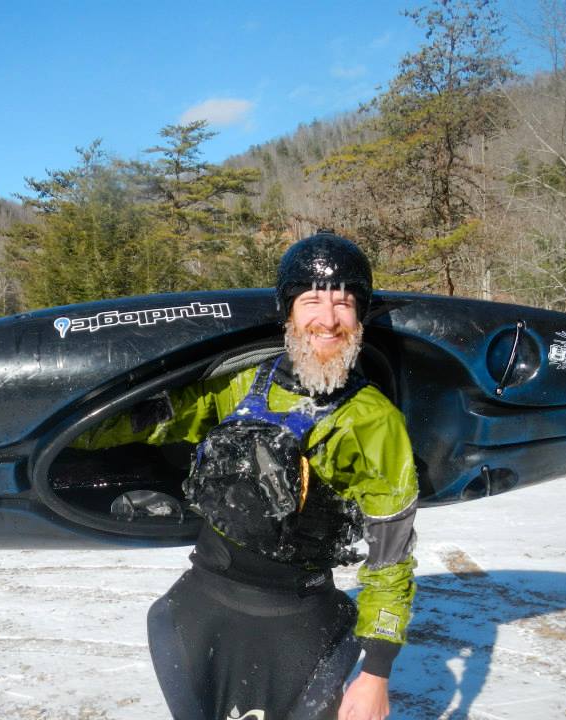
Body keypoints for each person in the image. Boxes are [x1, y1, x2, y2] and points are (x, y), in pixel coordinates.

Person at [84, 232, 418, 719]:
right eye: (311, 301)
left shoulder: (374, 421)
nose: (328, 320)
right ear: (288, 311)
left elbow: (392, 557)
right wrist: (48, 431)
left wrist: (376, 673)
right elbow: (151, 421)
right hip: (203, 607)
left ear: (360, 316)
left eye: (344, 303)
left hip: (298, 624)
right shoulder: (240, 382)